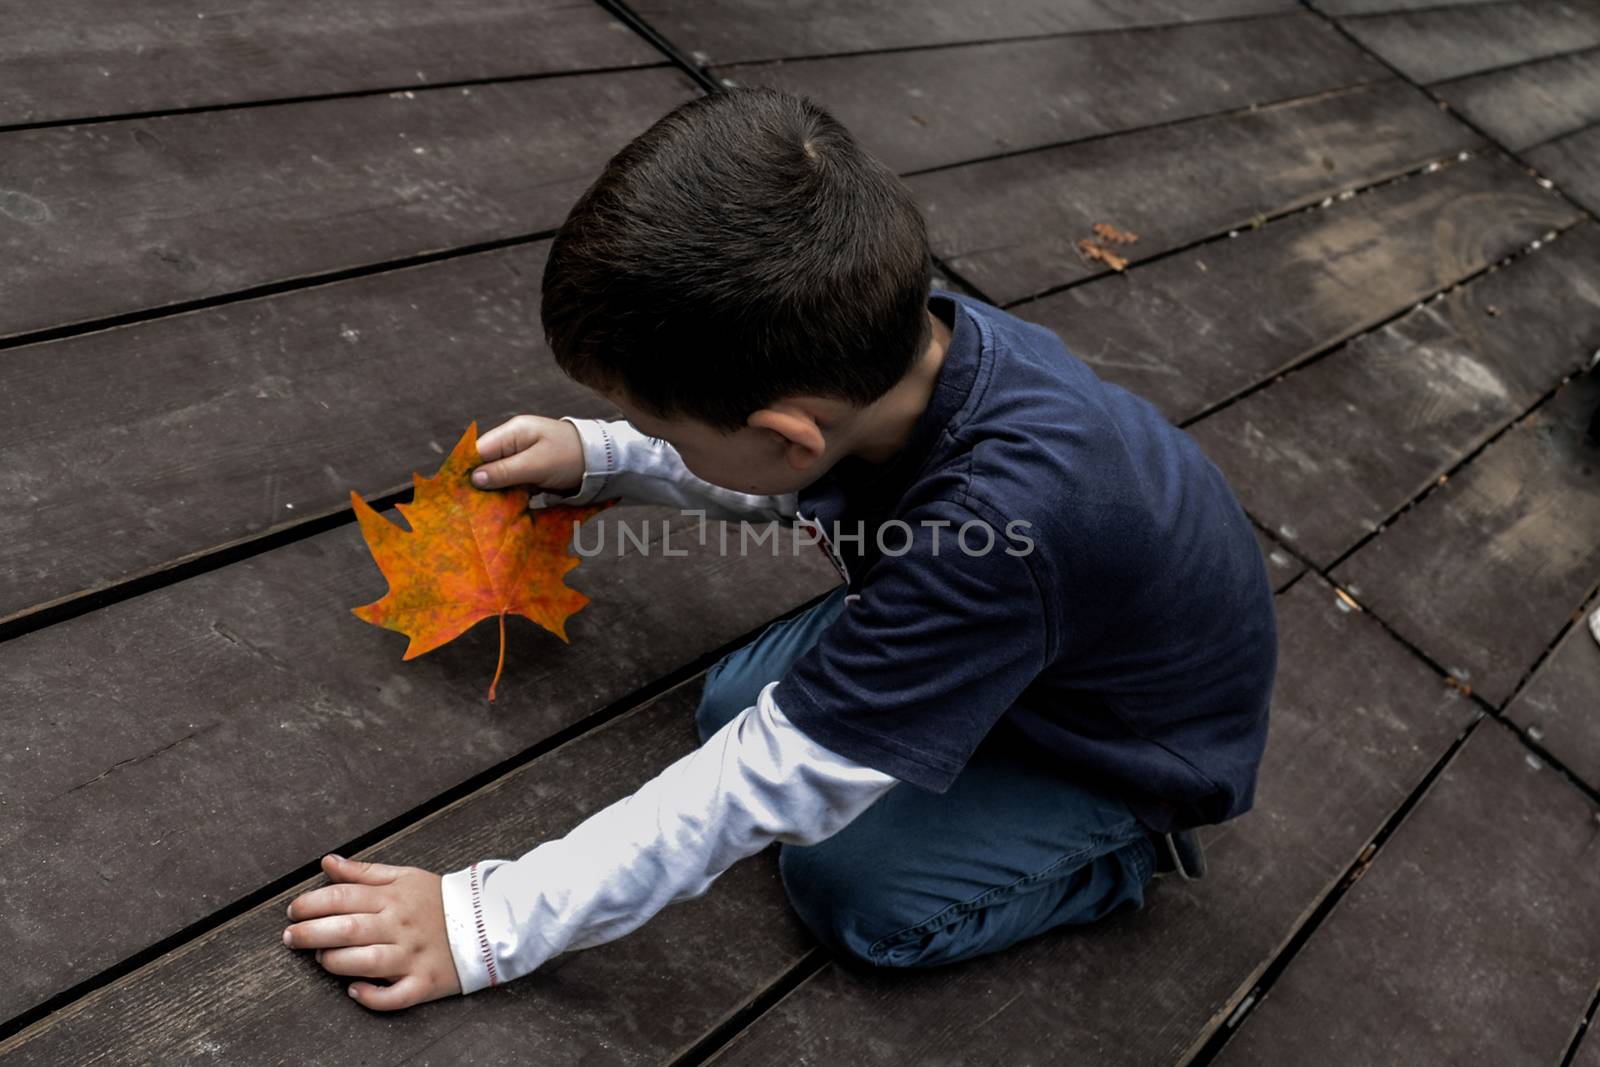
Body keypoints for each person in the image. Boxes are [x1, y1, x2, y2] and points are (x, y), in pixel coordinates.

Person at [280, 86, 1277, 1011]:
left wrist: (491, 920)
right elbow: (790, 475)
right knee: (727, 705)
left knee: (856, 890)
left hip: (1108, 746)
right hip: (1022, 621)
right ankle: (923, 694)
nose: (648, 436)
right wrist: (607, 455)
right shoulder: (905, 344)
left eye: (657, 424)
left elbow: (767, 780)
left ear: (788, 435)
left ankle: (1116, 856)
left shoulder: (991, 532)